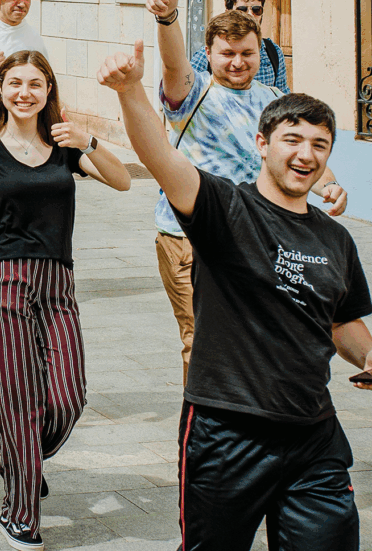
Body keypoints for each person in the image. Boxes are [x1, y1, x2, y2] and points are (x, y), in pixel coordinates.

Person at [98, 43, 372, 551]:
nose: (305, 154)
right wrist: (132, 89)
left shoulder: (336, 240)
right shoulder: (225, 208)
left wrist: (371, 354)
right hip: (226, 435)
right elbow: (160, 156)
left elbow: (342, 323)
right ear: (262, 144)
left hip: (314, 436)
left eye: (319, 144)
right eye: (292, 139)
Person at [0, 51, 130, 551]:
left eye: (36, 84)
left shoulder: (64, 147)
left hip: (58, 283)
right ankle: (21, 513)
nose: (24, 93)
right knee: (19, 401)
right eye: (14, 83)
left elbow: (121, 180)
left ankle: (19, 454)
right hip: (2, 281)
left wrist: (89, 140)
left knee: (68, 396)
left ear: (49, 91)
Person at [145, 0, 346, 384]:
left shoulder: (273, 100)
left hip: (254, 235)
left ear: (260, 54)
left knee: (255, 335)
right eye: (228, 54)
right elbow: (172, 64)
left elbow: (300, 153)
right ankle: (202, 431)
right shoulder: (193, 93)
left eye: (247, 54)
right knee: (200, 338)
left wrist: (329, 185)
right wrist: (167, 19)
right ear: (209, 53)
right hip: (188, 237)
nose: (238, 62)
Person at [189, 0, 289, 92]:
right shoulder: (207, 55)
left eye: (256, 10)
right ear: (228, 12)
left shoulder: (273, 52)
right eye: (242, 9)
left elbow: (283, 95)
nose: (250, 14)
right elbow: (187, 93)